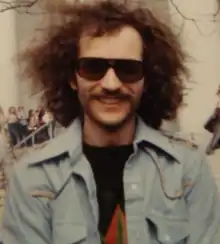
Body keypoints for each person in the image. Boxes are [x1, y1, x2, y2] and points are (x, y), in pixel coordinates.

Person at [2, 1, 220, 243]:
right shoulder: (33, 178)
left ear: (146, 79)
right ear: (72, 78)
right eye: (93, 67)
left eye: (128, 69)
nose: (111, 84)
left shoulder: (187, 170)